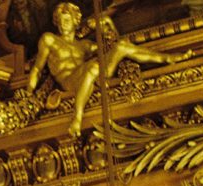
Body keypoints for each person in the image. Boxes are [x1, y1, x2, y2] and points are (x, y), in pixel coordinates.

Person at [27, 2, 193, 137]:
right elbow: (37, 68)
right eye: (60, 21)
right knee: (92, 67)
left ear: (76, 21)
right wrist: (29, 93)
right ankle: (77, 118)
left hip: (93, 75)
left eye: (67, 20)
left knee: (122, 47)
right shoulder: (49, 39)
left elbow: (111, 43)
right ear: (56, 22)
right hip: (70, 82)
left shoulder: (84, 46)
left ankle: (168, 58)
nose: (63, 25)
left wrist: (107, 23)